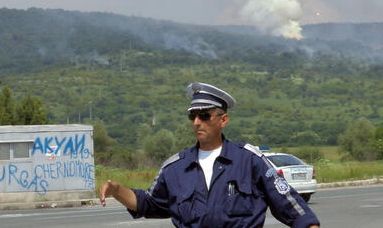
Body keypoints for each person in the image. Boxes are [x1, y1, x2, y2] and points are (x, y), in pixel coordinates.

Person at [100, 82, 321, 228]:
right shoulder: (175, 168)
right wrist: (116, 190)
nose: (197, 122)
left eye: (204, 116)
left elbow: (294, 208)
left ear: (223, 120)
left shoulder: (249, 161)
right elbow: (147, 203)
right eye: (193, 116)